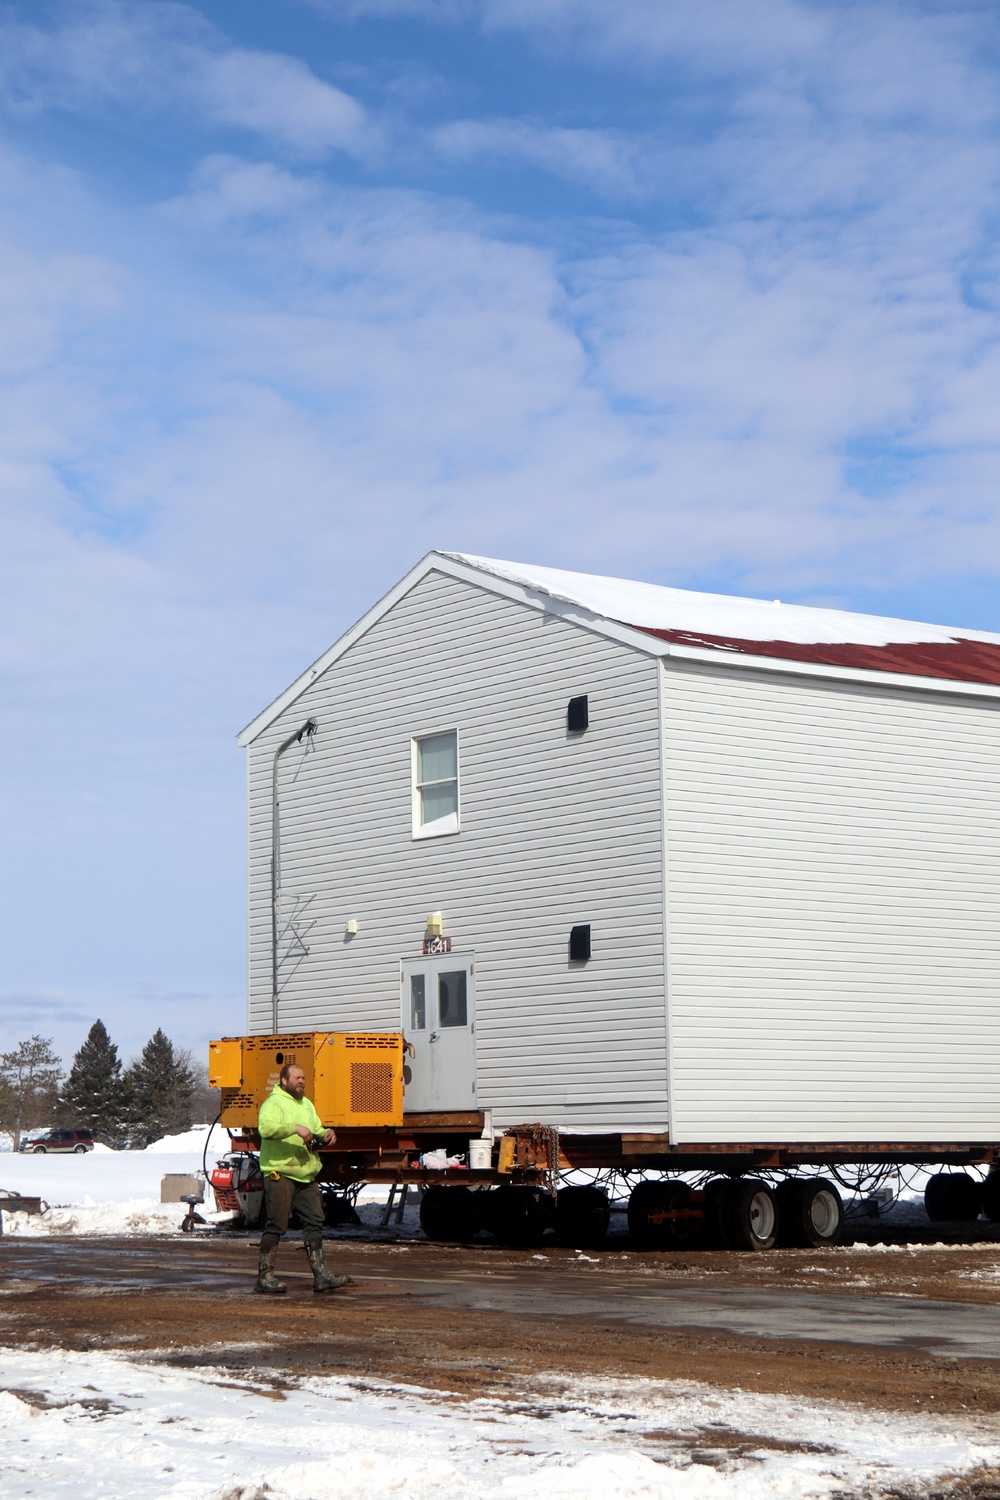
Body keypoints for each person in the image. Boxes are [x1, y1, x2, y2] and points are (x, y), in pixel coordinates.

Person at [255, 1061, 352, 1295]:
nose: (301, 1081)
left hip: (305, 1173)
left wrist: (326, 1133)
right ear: (284, 1081)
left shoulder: (306, 1104)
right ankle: (264, 1276)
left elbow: (316, 1129)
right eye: (297, 1077)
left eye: (303, 1078)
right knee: (277, 1224)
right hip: (280, 1171)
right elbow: (265, 1129)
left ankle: (322, 1275)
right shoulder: (274, 1103)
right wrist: (294, 1128)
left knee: (314, 1221)